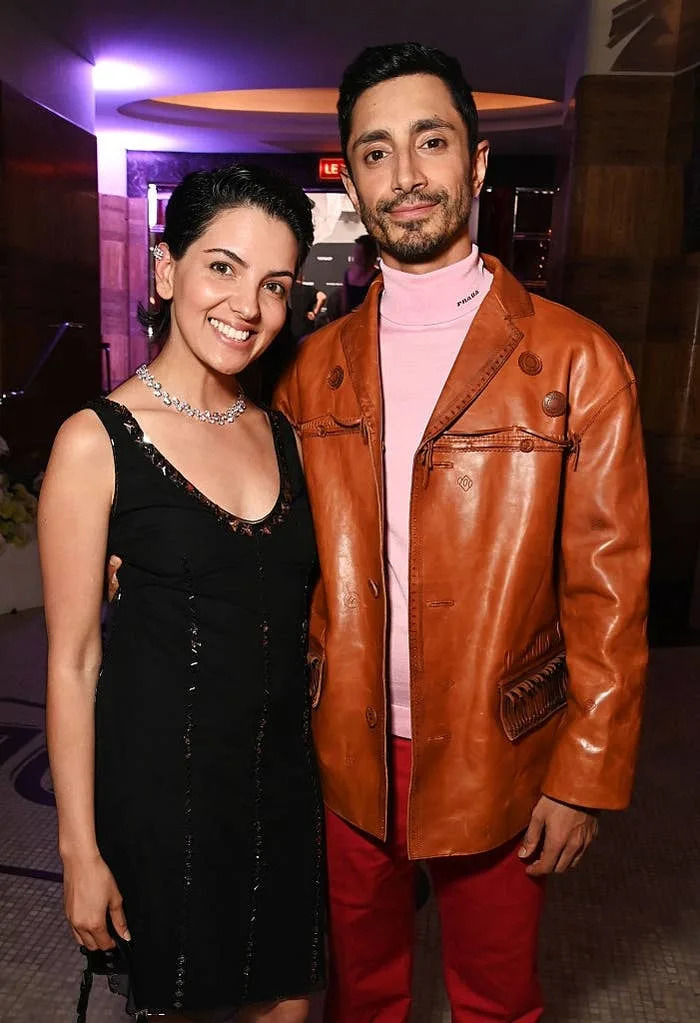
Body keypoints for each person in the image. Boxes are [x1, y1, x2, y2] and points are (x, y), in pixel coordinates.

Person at [275, 42, 650, 1023]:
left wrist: (584, 771)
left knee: (495, 999)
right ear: (351, 180)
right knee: (360, 995)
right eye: (376, 152)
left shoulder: (576, 360)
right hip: (344, 744)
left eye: (430, 141)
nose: (405, 175)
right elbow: (272, 550)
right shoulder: (308, 372)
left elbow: (609, 590)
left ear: (476, 163)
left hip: (501, 745)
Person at [39, 164, 324, 1023]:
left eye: (275, 284)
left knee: (291, 1008)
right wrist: (79, 851)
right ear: (167, 270)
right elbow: (73, 663)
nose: (249, 305)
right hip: (166, 804)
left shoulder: (285, 436)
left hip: (282, 791)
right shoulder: (96, 441)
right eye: (222, 266)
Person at [341, 234, 378, 313]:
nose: (356, 256)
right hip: (350, 317)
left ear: (370, 255)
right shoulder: (348, 273)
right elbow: (344, 304)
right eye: (355, 252)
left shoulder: (378, 276)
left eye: (359, 253)